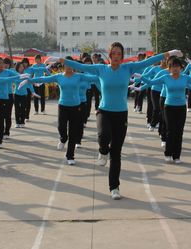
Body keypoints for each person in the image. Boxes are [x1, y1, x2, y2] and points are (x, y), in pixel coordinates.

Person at [57, 43, 178, 200]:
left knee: (116, 153)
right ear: (110, 55)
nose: (115, 56)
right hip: (104, 111)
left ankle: (114, 187)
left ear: (122, 56)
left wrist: (167, 53)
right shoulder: (101, 69)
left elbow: (147, 62)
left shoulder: (128, 68)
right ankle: (102, 151)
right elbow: (79, 65)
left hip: (121, 114)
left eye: (118, 53)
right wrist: (61, 60)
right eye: (113, 53)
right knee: (103, 135)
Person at [21, 57, 98, 164]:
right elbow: (43, 79)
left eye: (71, 65)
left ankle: (70, 156)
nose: (69, 67)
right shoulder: (58, 76)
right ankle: (63, 139)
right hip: (63, 106)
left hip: (75, 107)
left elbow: (94, 78)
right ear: (64, 66)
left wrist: (105, 74)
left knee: (73, 132)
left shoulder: (79, 76)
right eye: (67, 65)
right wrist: (29, 80)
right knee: (61, 127)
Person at [140, 56, 191, 163]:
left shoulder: (184, 77)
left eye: (177, 66)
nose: (175, 69)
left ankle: (176, 156)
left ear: (181, 68)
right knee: (170, 131)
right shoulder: (165, 77)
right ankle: (168, 153)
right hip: (169, 107)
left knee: (179, 132)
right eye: (173, 66)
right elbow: (151, 82)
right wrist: (140, 77)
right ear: (169, 68)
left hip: (181, 108)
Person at [0, 57, 20, 148]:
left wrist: (26, 77)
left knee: (1, 119)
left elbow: (18, 75)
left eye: (2, 63)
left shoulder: (7, 72)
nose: (2, 65)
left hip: (4, 98)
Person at [13, 62, 37, 128]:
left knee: (23, 109)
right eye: (20, 67)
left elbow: (29, 84)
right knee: (17, 109)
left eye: (22, 67)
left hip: (24, 94)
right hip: (16, 94)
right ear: (17, 68)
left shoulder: (26, 75)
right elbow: (14, 81)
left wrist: (33, 92)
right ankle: (17, 122)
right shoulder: (15, 75)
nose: (21, 68)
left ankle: (22, 122)